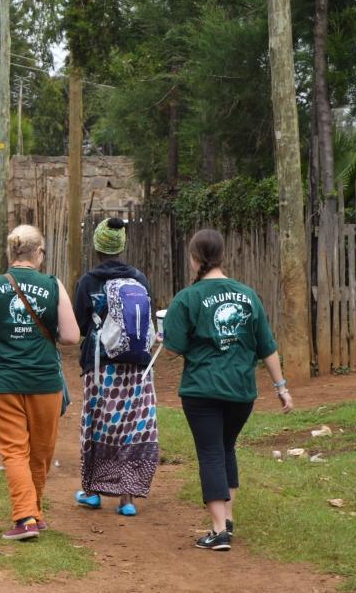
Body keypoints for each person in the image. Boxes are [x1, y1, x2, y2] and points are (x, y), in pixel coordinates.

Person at [162, 228, 292, 552]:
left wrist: (165, 336)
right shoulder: (248, 295)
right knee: (226, 448)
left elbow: (173, 348)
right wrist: (281, 387)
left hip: (202, 389)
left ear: (195, 259)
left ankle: (219, 531)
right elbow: (267, 346)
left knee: (210, 453)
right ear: (222, 255)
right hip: (240, 391)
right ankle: (228, 520)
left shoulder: (187, 298)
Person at [0, 225, 79, 541]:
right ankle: (30, 515)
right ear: (39, 253)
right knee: (41, 451)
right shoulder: (53, 285)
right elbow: (71, 336)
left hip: (2, 381)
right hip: (44, 381)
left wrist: (3, 333)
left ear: (9, 252)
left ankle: (28, 516)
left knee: (14, 451)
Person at [72, 218, 158, 516]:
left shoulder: (88, 281)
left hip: (101, 366)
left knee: (99, 424)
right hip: (137, 367)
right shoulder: (139, 278)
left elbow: (81, 326)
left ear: (96, 246)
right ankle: (128, 499)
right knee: (133, 426)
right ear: (121, 247)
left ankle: (93, 491)